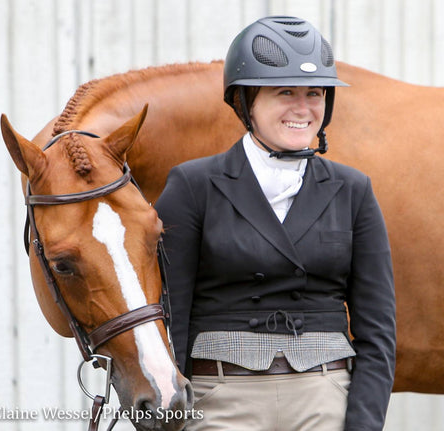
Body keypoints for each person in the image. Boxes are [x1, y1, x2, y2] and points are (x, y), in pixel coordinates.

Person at [155, 16, 396, 431]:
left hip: (324, 396)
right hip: (220, 395)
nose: (303, 109)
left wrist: (363, 423)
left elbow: (378, 331)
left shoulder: (353, 190)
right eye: (285, 91)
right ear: (246, 101)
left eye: (314, 93)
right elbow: (168, 318)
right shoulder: (192, 186)